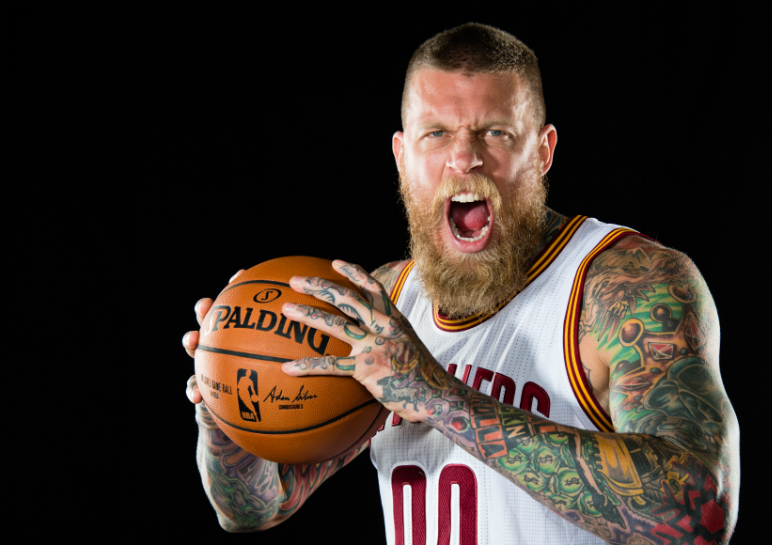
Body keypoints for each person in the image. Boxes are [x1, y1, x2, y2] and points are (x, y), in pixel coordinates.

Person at [183, 23, 740, 544]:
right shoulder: (384, 303)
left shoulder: (622, 284)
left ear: (542, 151)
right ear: (402, 156)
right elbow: (256, 507)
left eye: (495, 133)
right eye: (436, 134)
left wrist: (435, 396)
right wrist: (223, 412)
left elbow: (697, 515)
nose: (465, 158)